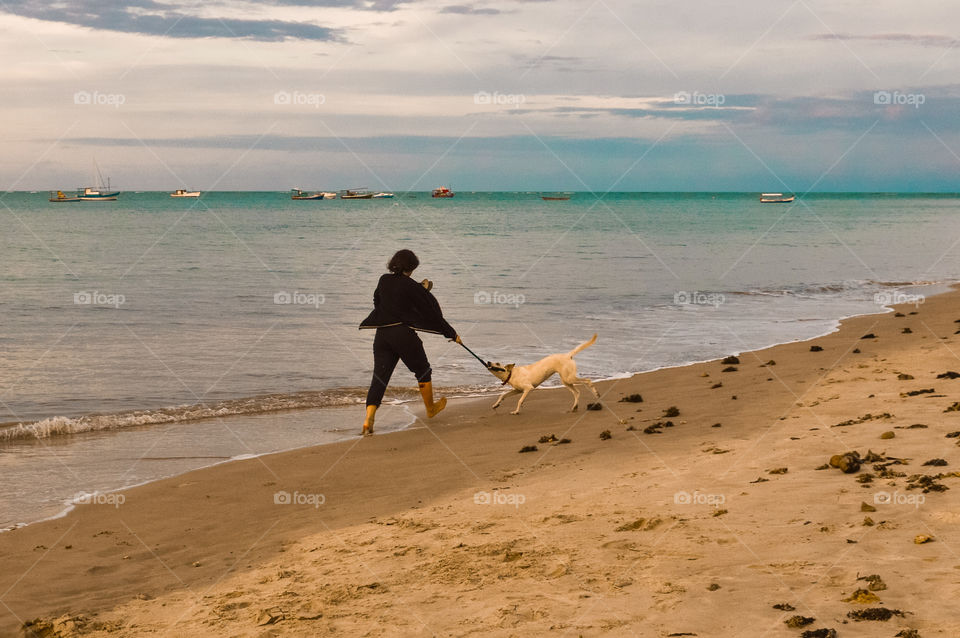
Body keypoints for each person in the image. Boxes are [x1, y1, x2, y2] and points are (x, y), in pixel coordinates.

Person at [359, 249, 461, 435]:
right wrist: (451, 333)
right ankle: (431, 408)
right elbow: (430, 312)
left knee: (379, 378)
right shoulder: (412, 287)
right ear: (412, 267)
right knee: (423, 370)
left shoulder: (384, 280)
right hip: (402, 335)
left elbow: (378, 300)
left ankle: (369, 418)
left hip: (382, 335)